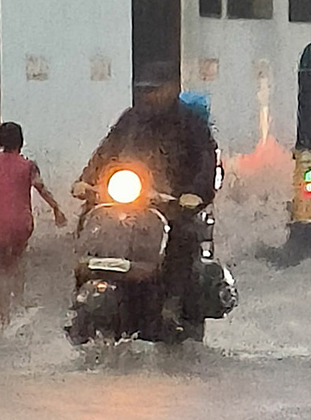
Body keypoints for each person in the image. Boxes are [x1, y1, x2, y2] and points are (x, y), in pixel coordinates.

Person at [72, 62, 219, 329]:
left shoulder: (191, 123)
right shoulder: (130, 119)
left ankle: (172, 305)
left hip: (172, 204)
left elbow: (206, 162)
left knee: (182, 237)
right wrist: (86, 179)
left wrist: (194, 194)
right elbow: (106, 150)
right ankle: (82, 297)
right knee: (89, 223)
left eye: (154, 90)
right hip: (128, 200)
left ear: (172, 89)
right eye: (143, 91)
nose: (147, 96)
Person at [0, 122, 66, 327]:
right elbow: (42, 189)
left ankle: (4, 318)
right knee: (18, 263)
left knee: (3, 270)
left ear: (0, 141)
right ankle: (19, 304)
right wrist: (57, 209)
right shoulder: (28, 166)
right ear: (21, 140)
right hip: (21, 223)